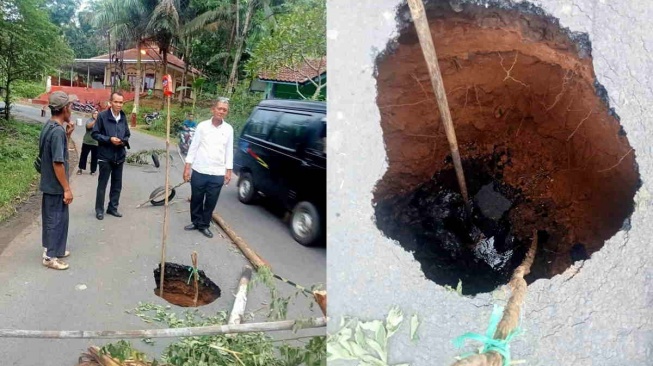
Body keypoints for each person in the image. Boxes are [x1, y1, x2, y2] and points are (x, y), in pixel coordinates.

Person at [183, 98, 233, 238]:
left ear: (226, 112)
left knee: (211, 201)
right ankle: (195, 221)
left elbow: (229, 151)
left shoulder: (228, 129)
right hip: (199, 170)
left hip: (217, 172)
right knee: (196, 198)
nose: (221, 111)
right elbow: (193, 147)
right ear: (213, 109)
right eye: (219, 108)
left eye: (224, 110)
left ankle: (204, 225)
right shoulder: (202, 126)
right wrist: (187, 167)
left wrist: (228, 171)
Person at [39, 91, 76, 270]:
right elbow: (58, 163)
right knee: (55, 219)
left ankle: (55, 249)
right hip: (55, 185)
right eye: (70, 106)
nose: (72, 109)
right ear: (64, 109)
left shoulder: (50, 126)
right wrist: (66, 189)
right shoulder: (57, 133)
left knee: (57, 218)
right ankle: (50, 257)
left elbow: (54, 152)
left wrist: (68, 135)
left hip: (49, 183)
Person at [92, 92, 131, 220]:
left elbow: (127, 134)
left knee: (117, 184)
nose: (119, 105)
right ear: (111, 102)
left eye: (121, 102)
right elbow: (95, 134)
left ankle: (112, 208)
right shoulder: (102, 116)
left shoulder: (123, 117)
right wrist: (109, 139)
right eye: (116, 102)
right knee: (102, 184)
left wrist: (123, 141)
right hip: (105, 156)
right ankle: (99, 210)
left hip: (119, 156)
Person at [77, 110, 99, 176]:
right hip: (87, 141)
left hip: (96, 142)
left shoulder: (100, 122)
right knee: (83, 156)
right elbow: (88, 126)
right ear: (92, 114)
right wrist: (95, 121)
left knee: (94, 158)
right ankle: (80, 168)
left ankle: (93, 170)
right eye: (94, 113)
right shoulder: (89, 120)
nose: (96, 115)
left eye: (97, 114)